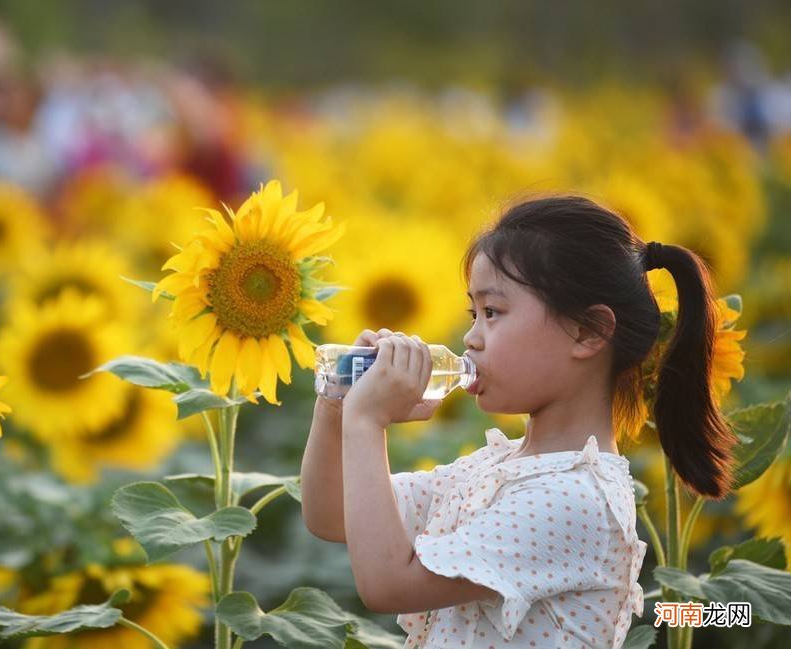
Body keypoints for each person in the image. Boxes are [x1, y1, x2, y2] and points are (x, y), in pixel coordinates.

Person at [300, 195, 739, 648]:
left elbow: (387, 585)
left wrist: (367, 423)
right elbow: (332, 515)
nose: (470, 337)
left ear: (588, 332)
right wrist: (337, 408)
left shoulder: (576, 501)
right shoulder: (495, 469)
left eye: (492, 312)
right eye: (474, 314)